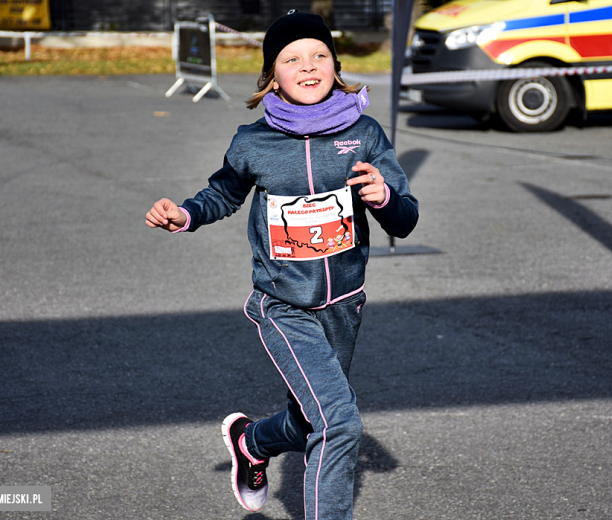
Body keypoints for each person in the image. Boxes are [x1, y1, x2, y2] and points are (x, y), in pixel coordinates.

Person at [145, 11, 419, 520]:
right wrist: (184, 214)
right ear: (273, 74)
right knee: (338, 423)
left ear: (336, 66)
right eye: (292, 58)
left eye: (319, 55)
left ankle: (251, 441)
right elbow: (221, 194)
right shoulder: (254, 142)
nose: (308, 66)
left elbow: (405, 220)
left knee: (309, 418)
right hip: (283, 305)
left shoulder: (364, 135)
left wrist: (383, 198)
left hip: (344, 305)